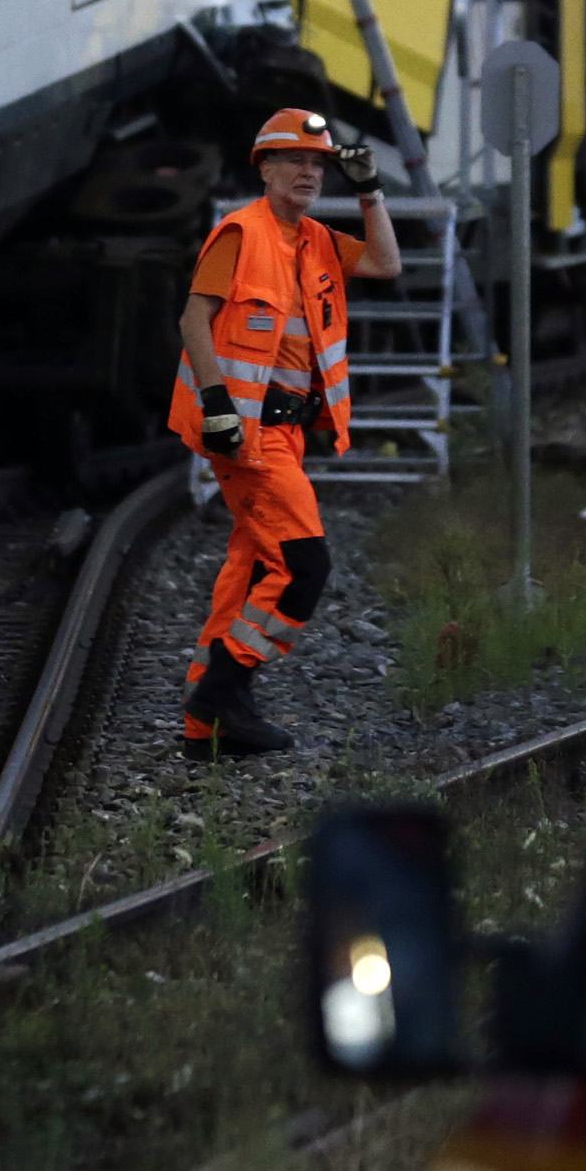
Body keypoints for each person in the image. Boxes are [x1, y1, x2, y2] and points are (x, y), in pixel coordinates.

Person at [168, 107, 401, 759]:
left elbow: (385, 262)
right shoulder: (241, 233)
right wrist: (217, 404)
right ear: (264, 168)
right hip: (244, 432)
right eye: (294, 160)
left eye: (317, 163)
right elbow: (194, 318)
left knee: (249, 572)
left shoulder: (318, 242)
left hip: (288, 435)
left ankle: (204, 728)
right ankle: (224, 688)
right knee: (305, 567)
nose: (307, 171)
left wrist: (370, 189)